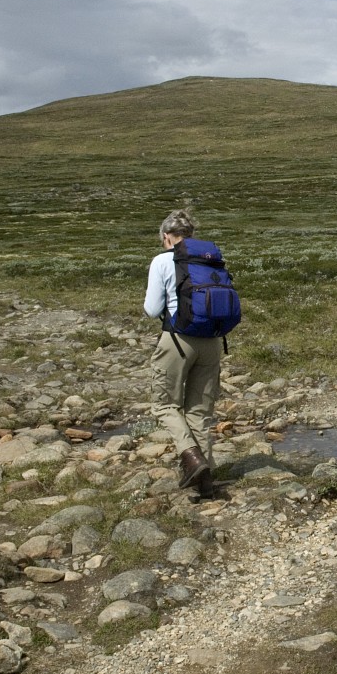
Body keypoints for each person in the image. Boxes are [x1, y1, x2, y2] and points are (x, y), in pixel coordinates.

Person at [144, 208, 222, 498]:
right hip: (212, 340)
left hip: (178, 339)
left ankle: (191, 456)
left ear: (166, 236)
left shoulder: (163, 260)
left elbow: (152, 309)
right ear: (190, 235)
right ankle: (205, 482)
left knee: (165, 405)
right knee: (199, 411)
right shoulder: (209, 258)